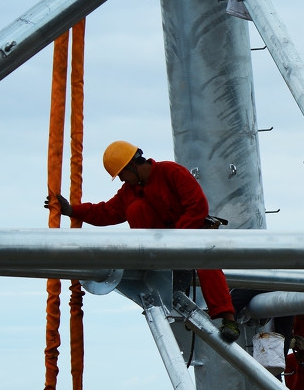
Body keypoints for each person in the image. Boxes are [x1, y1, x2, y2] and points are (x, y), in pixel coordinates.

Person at [45, 140, 241, 343]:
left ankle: (228, 319)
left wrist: (178, 240)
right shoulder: (130, 192)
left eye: (122, 174)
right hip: (159, 252)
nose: (122, 179)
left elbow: (197, 206)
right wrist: (72, 210)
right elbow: (105, 212)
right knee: (135, 208)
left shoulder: (171, 172)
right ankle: (153, 270)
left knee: (208, 263)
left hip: (189, 238)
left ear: (132, 166)